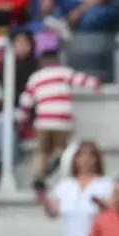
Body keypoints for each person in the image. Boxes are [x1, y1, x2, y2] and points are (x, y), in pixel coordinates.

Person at [16, 48, 101, 191]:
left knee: (41, 150)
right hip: (62, 119)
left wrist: (22, 118)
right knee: (60, 147)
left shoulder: (36, 77)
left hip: (43, 120)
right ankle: (56, 158)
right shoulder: (65, 72)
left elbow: (26, 100)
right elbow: (83, 80)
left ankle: (38, 175)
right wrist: (96, 84)